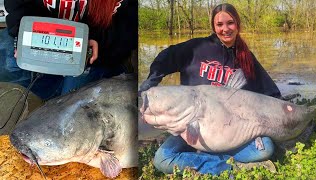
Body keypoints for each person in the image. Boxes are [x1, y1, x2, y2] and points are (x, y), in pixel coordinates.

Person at [139, 3, 281, 176]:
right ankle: (226, 166)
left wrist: (282, 109)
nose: (225, 29)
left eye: (230, 23)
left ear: (238, 24)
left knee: (265, 148)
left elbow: (267, 89)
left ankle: (205, 157)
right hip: (190, 126)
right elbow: (166, 57)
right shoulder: (196, 48)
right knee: (163, 158)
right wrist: (152, 80)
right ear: (213, 27)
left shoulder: (246, 57)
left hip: (230, 131)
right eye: (219, 24)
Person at [0, 0, 137, 100]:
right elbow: (18, 5)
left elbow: (131, 24)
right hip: (44, 35)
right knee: (7, 62)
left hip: (96, 49)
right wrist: (22, 32)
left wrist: (96, 40)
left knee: (71, 106)